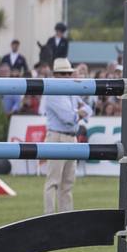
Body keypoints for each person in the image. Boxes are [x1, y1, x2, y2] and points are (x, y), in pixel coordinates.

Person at [40, 58, 91, 214]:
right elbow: (68, 118)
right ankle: (49, 217)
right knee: (53, 181)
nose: (67, 76)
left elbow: (88, 109)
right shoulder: (52, 93)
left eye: (68, 73)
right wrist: (80, 113)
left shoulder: (70, 91)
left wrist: (79, 113)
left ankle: (66, 216)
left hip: (70, 137)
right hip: (57, 137)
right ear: (55, 75)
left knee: (68, 182)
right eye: (63, 73)